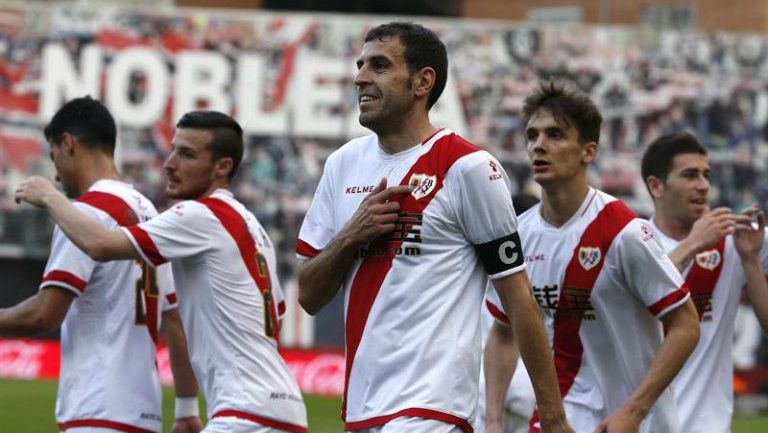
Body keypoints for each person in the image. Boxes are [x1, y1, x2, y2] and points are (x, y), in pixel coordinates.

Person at [295, 22, 571, 433]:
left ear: (423, 81)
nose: (361, 77)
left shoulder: (468, 168)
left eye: (380, 65)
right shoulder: (342, 165)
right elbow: (309, 295)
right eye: (360, 65)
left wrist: (552, 417)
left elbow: (518, 298)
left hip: (432, 409)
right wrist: (352, 236)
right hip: (361, 409)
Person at [15, 110, 308, 433]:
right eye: (172, 150)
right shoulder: (252, 226)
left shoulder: (198, 216)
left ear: (222, 167)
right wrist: (186, 407)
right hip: (281, 407)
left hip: (246, 412)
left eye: (187, 154)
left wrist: (49, 197)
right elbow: (275, 316)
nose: (169, 163)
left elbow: (99, 244)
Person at [484, 82, 700, 433]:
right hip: (558, 418)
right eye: (533, 135)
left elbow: (686, 325)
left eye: (555, 135)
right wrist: (492, 421)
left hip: (633, 421)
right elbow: (503, 332)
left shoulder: (623, 232)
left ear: (588, 151)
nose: (539, 145)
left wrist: (634, 411)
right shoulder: (519, 235)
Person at [0, 96, 201, 433]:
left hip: (97, 409)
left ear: (68, 143)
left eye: (55, 158)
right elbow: (175, 322)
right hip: (144, 413)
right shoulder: (150, 214)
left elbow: (46, 313)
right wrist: (185, 408)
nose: (57, 174)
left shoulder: (84, 213)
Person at [641, 132, 768, 433]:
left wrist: (750, 260)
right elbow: (635, 308)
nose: (703, 185)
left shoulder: (733, 241)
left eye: (706, 175)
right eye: (690, 175)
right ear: (656, 186)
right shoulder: (632, 241)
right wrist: (693, 245)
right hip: (642, 424)